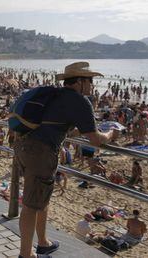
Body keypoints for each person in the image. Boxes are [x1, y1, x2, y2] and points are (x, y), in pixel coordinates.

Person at [15, 62, 117, 258]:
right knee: (30, 204)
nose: (92, 85)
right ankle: (25, 255)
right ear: (79, 81)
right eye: (90, 80)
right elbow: (95, 139)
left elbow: (61, 125)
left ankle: (43, 243)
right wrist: (111, 134)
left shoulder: (56, 94)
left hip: (24, 146)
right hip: (41, 152)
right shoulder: (79, 100)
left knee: (40, 198)